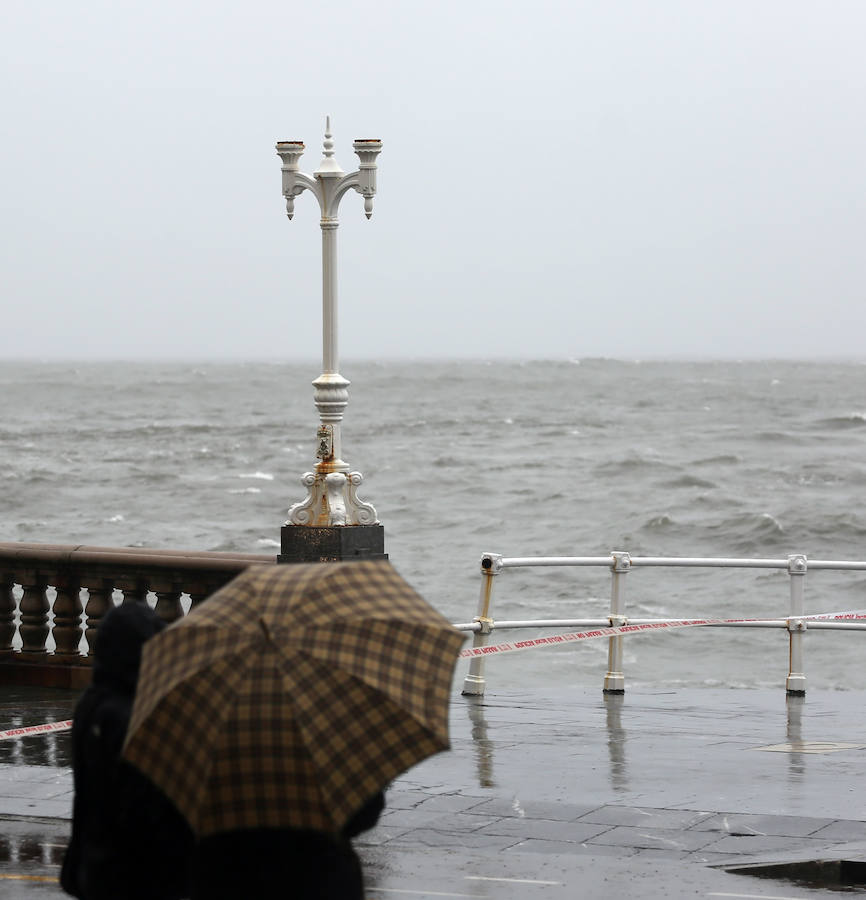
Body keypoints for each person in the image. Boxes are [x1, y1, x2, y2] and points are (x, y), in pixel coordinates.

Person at [61, 602, 193, 900]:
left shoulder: (90, 704)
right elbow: (148, 806)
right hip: (137, 875)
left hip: (94, 865)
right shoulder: (134, 720)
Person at [190, 791, 385, 900]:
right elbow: (366, 812)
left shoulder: (216, 745)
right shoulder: (328, 739)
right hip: (321, 876)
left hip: (229, 877)